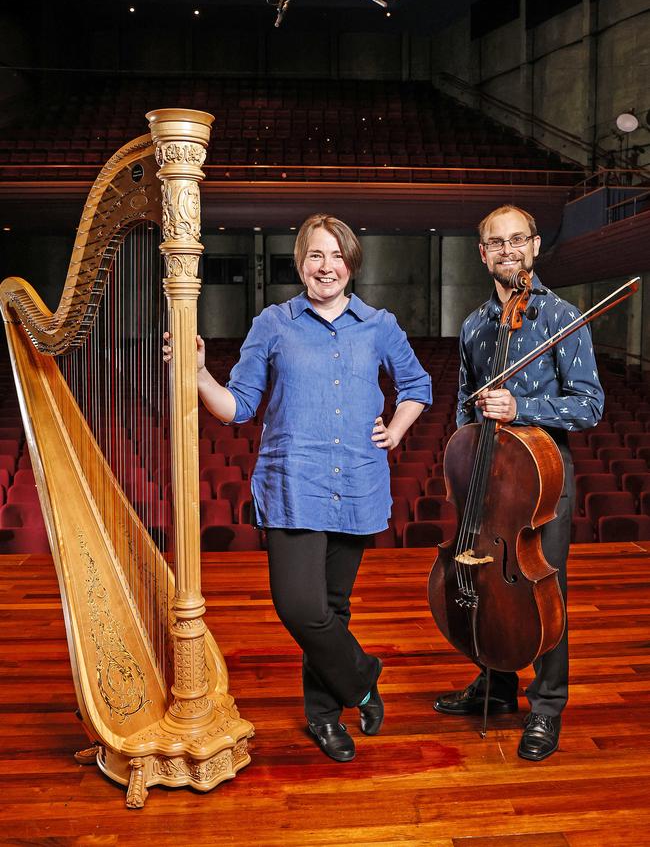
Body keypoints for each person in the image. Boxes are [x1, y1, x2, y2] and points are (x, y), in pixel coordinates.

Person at [165, 214, 431, 762]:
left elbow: (417, 385)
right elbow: (238, 407)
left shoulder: (379, 325)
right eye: (315, 255)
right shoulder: (274, 323)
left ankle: (325, 718)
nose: (326, 266)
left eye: (336, 256)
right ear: (301, 264)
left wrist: (395, 430)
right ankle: (362, 675)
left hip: (357, 480)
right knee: (299, 606)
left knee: (332, 608)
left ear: (351, 263)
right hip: (291, 482)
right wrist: (197, 374)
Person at [432, 204, 604, 761]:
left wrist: (521, 405)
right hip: (488, 477)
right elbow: (465, 400)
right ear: (483, 255)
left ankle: (548, 705)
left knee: (542, 588)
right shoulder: (475, 325)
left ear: (533, 247)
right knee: (487, 583)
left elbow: (590, 405)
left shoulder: (562, 318)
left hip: (543, 481)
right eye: (496, 243)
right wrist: (464, 463)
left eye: (517, 240)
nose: (508, 250)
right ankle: (497, 685)